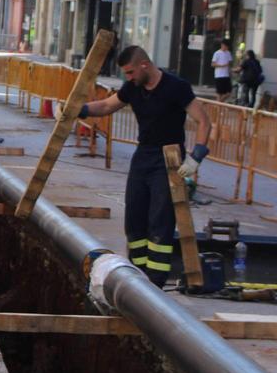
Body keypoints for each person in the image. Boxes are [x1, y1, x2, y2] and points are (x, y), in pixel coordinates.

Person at [78, 46, 212, 287]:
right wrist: (79, 110)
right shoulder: (133, 87)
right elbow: (107, 106)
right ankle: (137, 274)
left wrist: (196, 156)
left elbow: (203, 120)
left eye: (130, 72)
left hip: (168, 158)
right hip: (143, 155)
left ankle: (155, 281)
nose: (128, 77)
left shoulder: (176, 87)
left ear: (144, 65)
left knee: (160, 220)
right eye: (126, 74)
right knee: (134, 218)